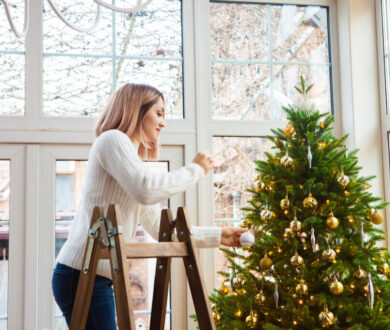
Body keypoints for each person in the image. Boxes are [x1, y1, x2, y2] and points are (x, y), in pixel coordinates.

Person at [52, 83, 247, 329]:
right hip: (80, 273)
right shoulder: (112, 140)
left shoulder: (130, 164)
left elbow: (159, 229)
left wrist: (220, 235)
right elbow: (146, 189)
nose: (163, 122)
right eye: (159, 113)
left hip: (93, 276)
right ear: (136, 110)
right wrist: (197, 169)